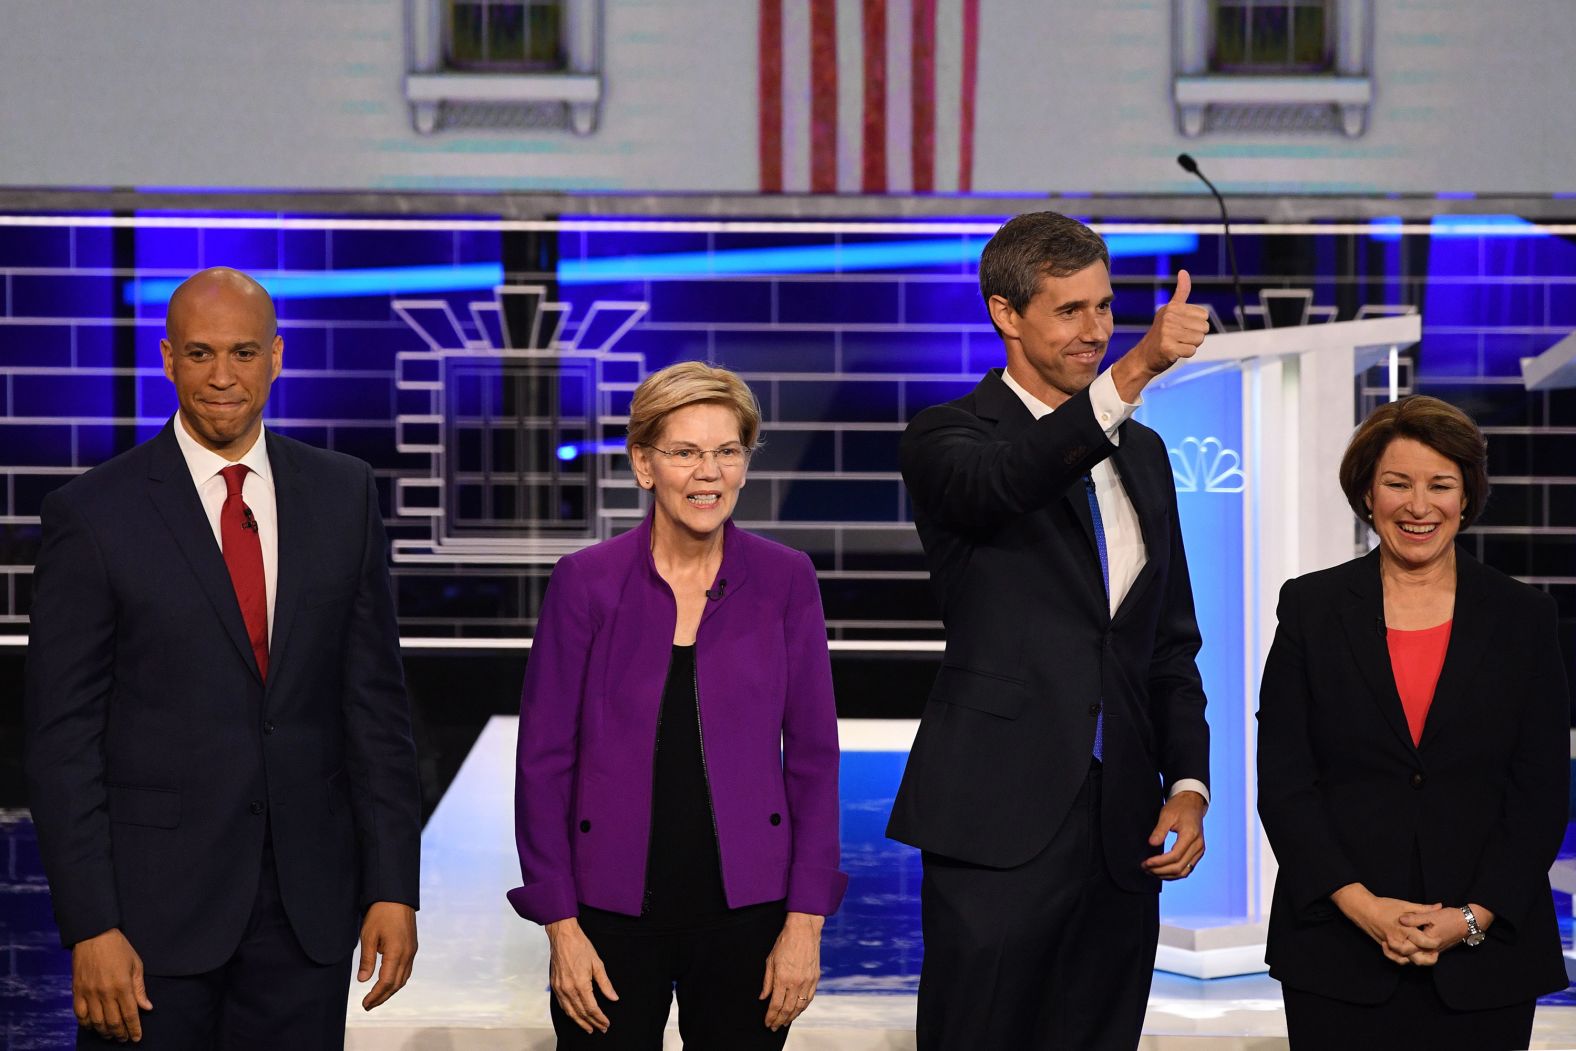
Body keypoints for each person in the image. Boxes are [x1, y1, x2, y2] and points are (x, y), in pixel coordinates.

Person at [24, 268, 422, 1048]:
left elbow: (375, 710)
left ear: (277, 357)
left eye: (242, 353)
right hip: (147, 927)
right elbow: (60, 742)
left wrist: (391, 886)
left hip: (306, 920)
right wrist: (91, 924)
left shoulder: (344, 494)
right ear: (167, 360)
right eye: (200, 354)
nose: (222, 377)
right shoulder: (93, 513)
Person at [886, 211, 1213, 1050]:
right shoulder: (946, 436)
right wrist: (1137, 369)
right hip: (996, 818)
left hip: (1123, 833)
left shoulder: (1143, 456)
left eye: (1105, 308)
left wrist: (1188, 781)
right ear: (1006, 313)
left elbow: (1168, 644)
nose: (1097, 330)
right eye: (1071, 311)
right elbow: (1008, 482)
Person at [509, 360, 846, 1049]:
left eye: (727, 452)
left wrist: (805, 922)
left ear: (746, 465)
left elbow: (813, 757)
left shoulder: (787, 579)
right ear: (643, 464)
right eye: (686, 452)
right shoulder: (586, 583)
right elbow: (543, 761)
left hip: (749, 915)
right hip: (607, 915)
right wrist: (561, 926)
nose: (708, 473)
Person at [1257, 395, 1570, 1048]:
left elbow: (1539, 791)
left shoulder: (1525, 619)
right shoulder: (1311, 608)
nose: (1418, 505)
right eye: (1398, 483)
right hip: (1337, 951)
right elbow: (1286, 783)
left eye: (1440, 485)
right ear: (1368, 494)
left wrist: (1472, 915)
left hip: (1486, 955)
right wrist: (1364, 908)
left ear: (1467, 496)